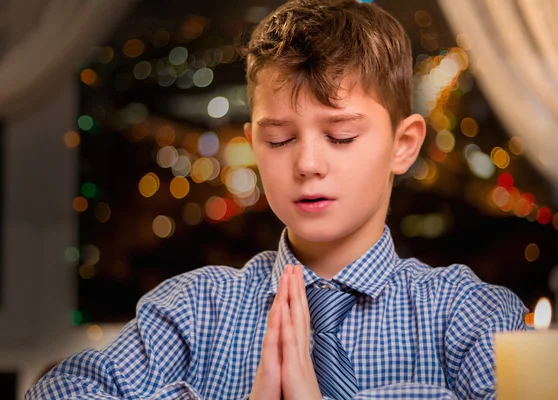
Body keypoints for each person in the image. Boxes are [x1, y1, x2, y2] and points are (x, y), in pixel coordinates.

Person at [26, 0, 528, 399]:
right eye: (280, 139)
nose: (307, 164)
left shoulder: (465, 315)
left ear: (404, 144)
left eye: (341, 137)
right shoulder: (194, 311)